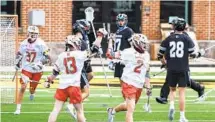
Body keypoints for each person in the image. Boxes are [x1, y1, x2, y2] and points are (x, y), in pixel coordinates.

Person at [157, 18, 205, 122]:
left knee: (172, 90)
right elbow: (192, 54)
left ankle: (171, 106)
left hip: (171, 68)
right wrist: (200, 53)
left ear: (175, 26)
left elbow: (160, 55)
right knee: (182, 92)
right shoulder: (186, 38)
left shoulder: (168, 38)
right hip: (183, 68)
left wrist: (164, 63)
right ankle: (182, 117)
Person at [66, 19, 108, 120]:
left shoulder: (74, 39)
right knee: (86, 92)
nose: (87, 29)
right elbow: (87, 54)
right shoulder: (80, 40)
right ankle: (72, 104)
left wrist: (97, 45)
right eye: (85, 27)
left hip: (76, 65)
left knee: (91, 75)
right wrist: (99, 39)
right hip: (79, 67)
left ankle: (81, 115)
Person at [107, 34, 151, 122]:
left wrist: (148, 86)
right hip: (128, 82)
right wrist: (110, 42)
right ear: (136, 44)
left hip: (139, 85)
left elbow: (146, 71)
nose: (145, 46)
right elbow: (110, 54)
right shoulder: (128, 52)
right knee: (131, 109)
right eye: (142, 44)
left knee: (128, 106)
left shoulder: (146, 55)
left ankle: (112, 111)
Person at [46, 35, 89, 122]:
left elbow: (54, 73)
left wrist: (48, 80)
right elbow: (93, 51)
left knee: (55, 110)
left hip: (62, 86)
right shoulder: (79, 54)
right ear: (76, 44)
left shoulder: (61, 55)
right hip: (74, 86)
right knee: (79, 111)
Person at [14, 26, 50, 115]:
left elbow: (48, 58)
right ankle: (18, 108)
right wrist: (17, 63)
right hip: (26, 68)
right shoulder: (23, 44)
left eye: (34, 34)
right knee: (23, 87)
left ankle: (32, 92)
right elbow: (19, 54)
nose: (32, 36)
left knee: (32, 89)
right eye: (31, 33)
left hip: (38, 69)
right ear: (28, 33)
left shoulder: (41, 44)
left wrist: (40, 63)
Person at [106, 13, 134, 81]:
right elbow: (116, 46)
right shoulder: (118, 31)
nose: (120, 22)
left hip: (124, 59)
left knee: (125, 80)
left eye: (122, 20)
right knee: (120, 79)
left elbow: (133, 45)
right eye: (119, 20)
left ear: (125, 21)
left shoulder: (128, 31)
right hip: (117, 59)